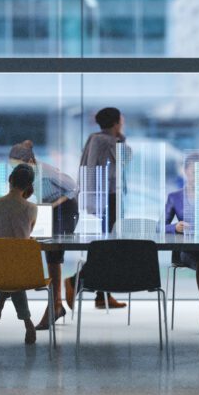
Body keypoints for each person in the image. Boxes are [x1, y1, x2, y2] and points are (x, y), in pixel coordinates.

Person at [7, 141, 77, 330]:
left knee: (53, 252)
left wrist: (52, 205)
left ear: (30, 161)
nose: (17, 171)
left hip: (64, 210)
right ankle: (56, 304)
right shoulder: (31, 174)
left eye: (19, 166)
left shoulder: (47, 172)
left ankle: (55, 305)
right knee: (45, 250)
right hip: (48, 210)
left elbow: (73, 188)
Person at [70, 107, 128, 310]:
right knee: (107, 247)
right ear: (116, 122)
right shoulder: (104, 141)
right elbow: (121, 160)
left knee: (107, 246)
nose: (123, 122)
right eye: (120, 119)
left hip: (107, 198)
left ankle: (103, 294)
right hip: (107, 199)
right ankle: (75, 282)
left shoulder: (98, 139)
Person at [0, 163, 40, 345]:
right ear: (29, 186)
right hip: (21, 271)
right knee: (14, 267)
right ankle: (27, 322)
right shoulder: (32, 208)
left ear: (10, 179)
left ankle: (2, 302)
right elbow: (25, 238)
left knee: (7, 265)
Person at [165, 152, 199, 333]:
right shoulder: (174, 197)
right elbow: (160, 226)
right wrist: (175, 227)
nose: (198, 177)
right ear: (185, 171)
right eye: (194, 172)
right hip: (188, 250)